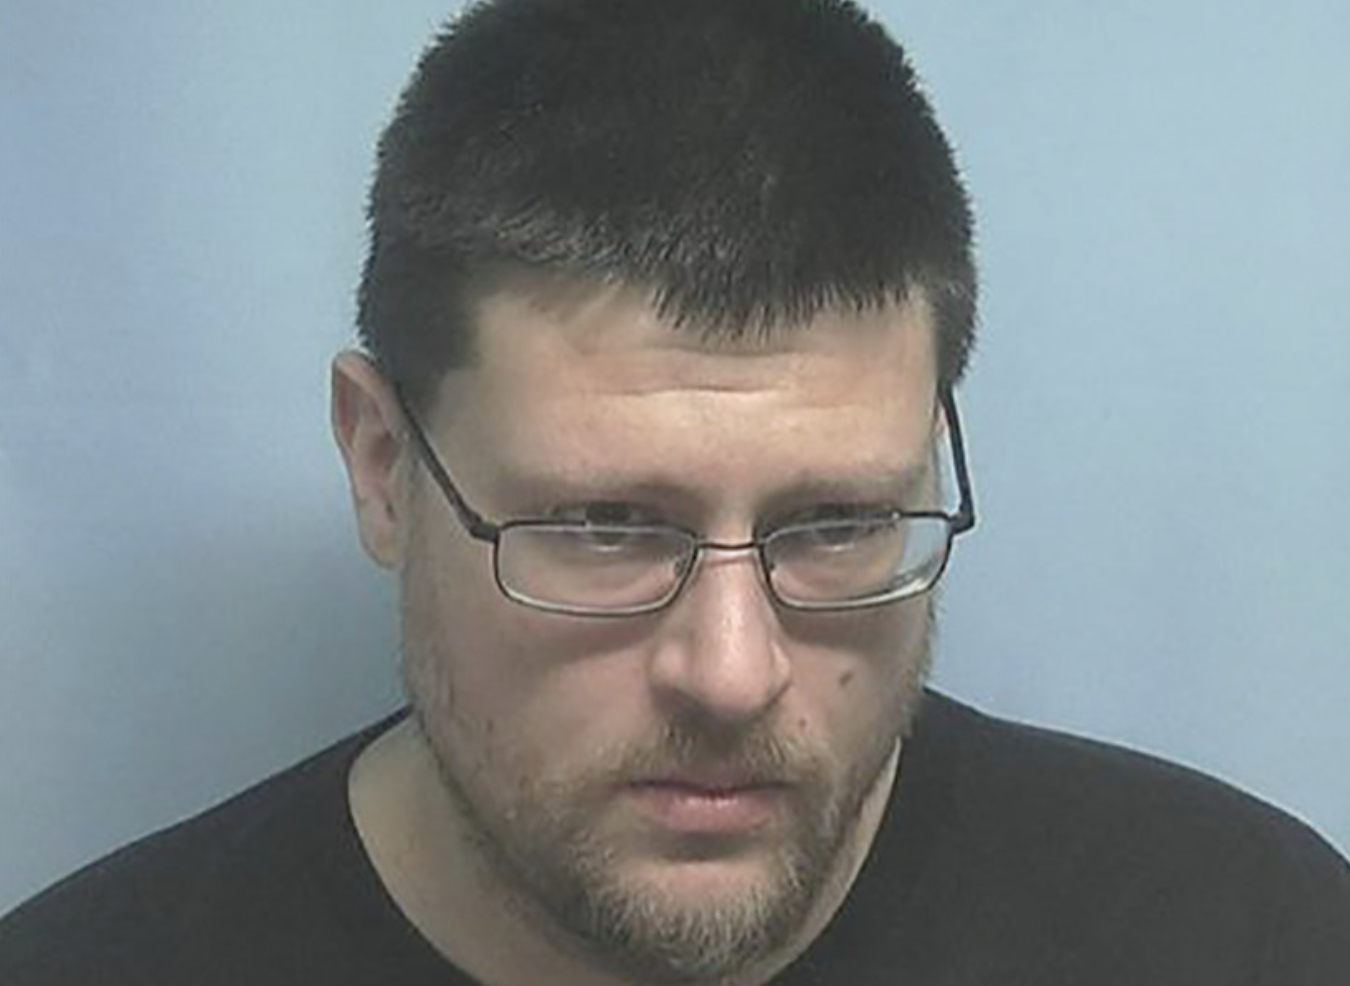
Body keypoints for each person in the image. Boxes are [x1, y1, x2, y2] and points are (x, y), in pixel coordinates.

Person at [2, 0, 1347, 982]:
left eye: (835, 522)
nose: (731, 673)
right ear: (383, 467)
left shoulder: (1246, 936)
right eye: (603, 527)